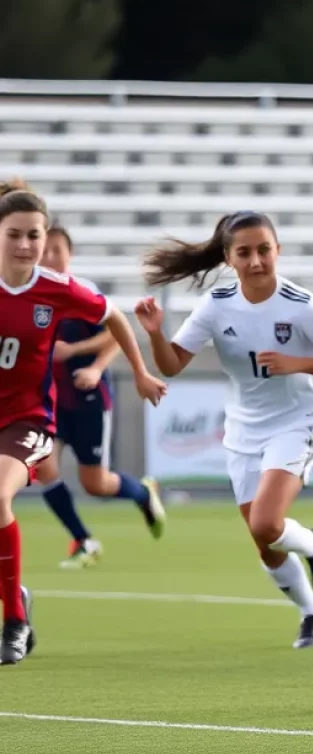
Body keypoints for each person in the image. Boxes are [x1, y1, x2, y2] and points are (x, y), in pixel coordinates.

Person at [135, 211, 313, 650]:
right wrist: (157, 334)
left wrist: (298, 363)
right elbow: (172, 363)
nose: (256, 260)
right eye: (245, 253)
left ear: (278, 250)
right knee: (262, 538)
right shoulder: (217, 305)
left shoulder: (301, 305)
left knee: (267, 521)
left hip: (297, 422)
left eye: (264, 250)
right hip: (244, 430)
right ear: (229, 259)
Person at [0, 180, 166, 664]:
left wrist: (139, 372)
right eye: (16, 234)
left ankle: (14, 620)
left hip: (26, 421)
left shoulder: (56, 290)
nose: (28, 245)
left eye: (36, 235)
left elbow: (116, 318)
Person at [35, 224, 166, 568]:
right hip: (51, 401)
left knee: (95, 483)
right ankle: (84, 540)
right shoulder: (31, 293)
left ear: (70, 254)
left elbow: (115, 334)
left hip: (89, 399)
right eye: (44, 249)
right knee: (44, 467)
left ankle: (142, 492)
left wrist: (91, 366)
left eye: (57, 249)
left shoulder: (80, 292)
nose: (49, 256)